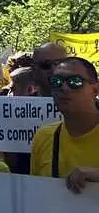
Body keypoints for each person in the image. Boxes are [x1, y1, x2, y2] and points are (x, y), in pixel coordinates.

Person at [30, 56, 99, 192]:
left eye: (75, 82)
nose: (64, 88)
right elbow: (36, 194)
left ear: (95, 90)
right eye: (56, 82)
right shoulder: (44, 136)